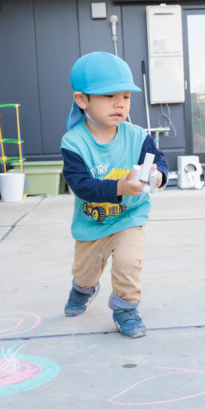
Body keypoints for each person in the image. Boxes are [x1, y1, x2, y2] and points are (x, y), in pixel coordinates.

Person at [61, 51, 169, 339]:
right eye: (109, 96)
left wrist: (158, 174)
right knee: (85, 272)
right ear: (82, 100)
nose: (120, 103)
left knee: (128, 262)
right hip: (91, 223)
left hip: (130, 216)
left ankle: (126, 308)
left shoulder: (137, 135)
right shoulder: (74, 143)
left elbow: (159, 160)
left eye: (126, 96)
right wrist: (118, 188)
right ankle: (82, 289)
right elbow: (81, 185)